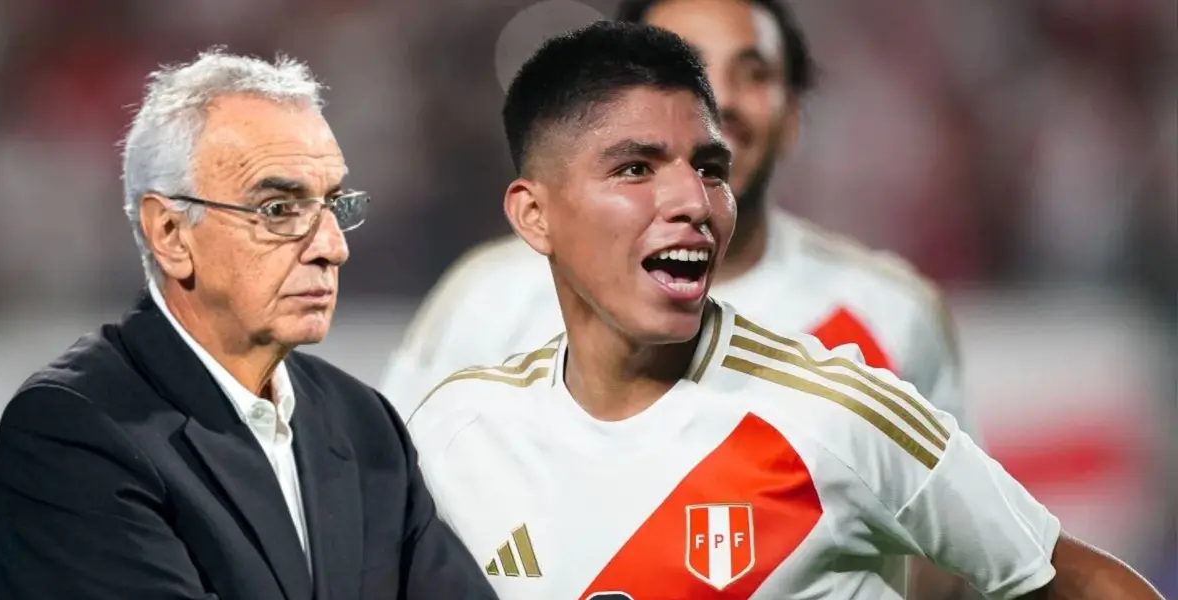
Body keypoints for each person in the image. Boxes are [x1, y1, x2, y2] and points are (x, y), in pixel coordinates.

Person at [406, 22, 1164, 600]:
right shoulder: (458, 434)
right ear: (533, 215)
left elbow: (1078, 580)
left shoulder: (838, 415)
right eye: (635, 169)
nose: (691, 203)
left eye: (708, 169)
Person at [0, 49, 496, 600]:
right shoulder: (73, 431)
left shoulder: (362, 423)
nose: (332, 247)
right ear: (172, 234)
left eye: (333, 205)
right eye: (279, 209)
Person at [379, 0, 974, 462]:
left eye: (754, 72)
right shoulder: (488, 301)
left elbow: (950, 555)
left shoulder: (889, 313)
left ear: (793, 117)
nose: (717, 100)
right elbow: (396, 504)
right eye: (683, 67)